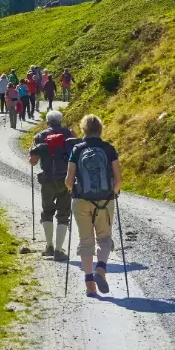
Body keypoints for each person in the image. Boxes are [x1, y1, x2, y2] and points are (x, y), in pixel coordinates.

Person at [65, 114, 122, 297]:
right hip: (105, 201)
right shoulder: (108, 149)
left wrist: (72, 190)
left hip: (81, 200)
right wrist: (113, 192)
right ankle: (101, 269)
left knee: (86, 240)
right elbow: (119, 180)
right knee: (104, 238)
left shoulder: (77, 149)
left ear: (83, 130)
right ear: (100, 129)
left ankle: (90, 283)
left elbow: (68, 180)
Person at [28, 111, 75, 258]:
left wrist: (31, 151)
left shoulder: (40, 136)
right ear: (61, 121)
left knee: (47, 211)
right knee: (63, 214)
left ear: (47, 122)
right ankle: (59, 250)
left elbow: (33, 161)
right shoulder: (69, 134)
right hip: (66, 179)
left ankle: (49, 246)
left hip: (47, 179)